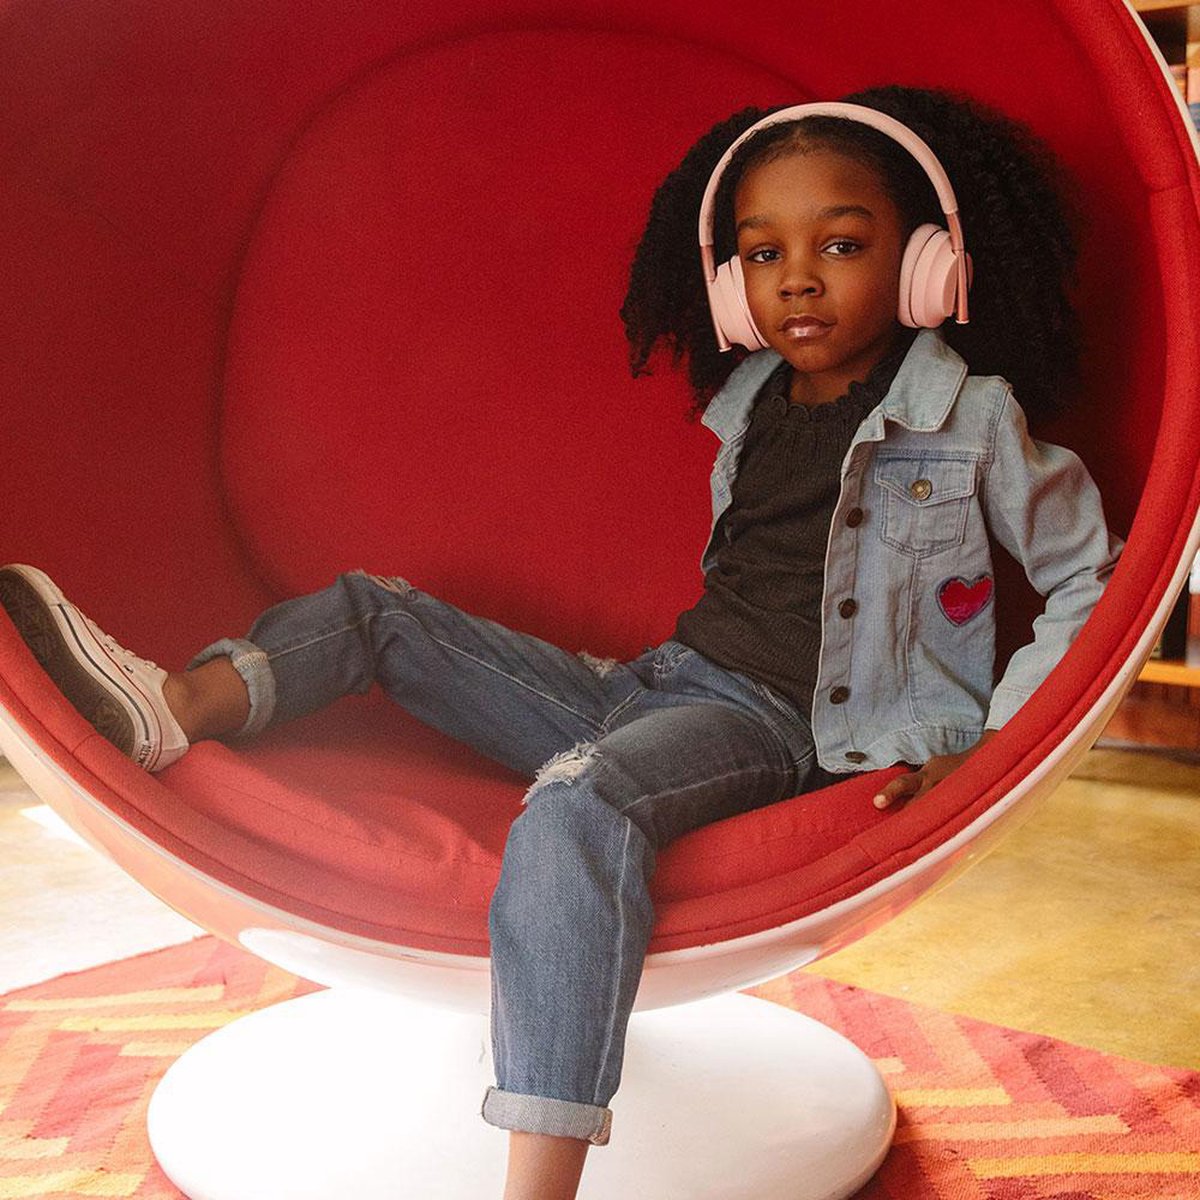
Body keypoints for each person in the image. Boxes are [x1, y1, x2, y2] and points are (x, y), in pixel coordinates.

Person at [0, 84, 1121, 1200]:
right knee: (378, 611)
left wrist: (998, 743)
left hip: (778, 726)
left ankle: (537, 1186)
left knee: (578, 802)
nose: (797, 278)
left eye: (841, 244)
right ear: (728, 286)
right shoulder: (750, 399)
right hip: (662, 685)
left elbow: (1087, 572)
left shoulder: (970, 417)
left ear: (928, 264)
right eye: (761, 253)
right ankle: (171, 711)